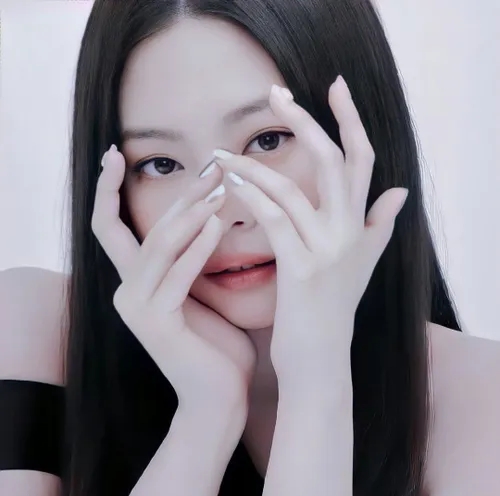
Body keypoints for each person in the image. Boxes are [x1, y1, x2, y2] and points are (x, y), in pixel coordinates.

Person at [1, 0, 499, 495]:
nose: (227, 212)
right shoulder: (34, 334)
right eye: (160, 164)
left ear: (359, 137)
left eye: (268, 140)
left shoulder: (481, 405)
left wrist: (315, 376)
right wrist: (204, 416)